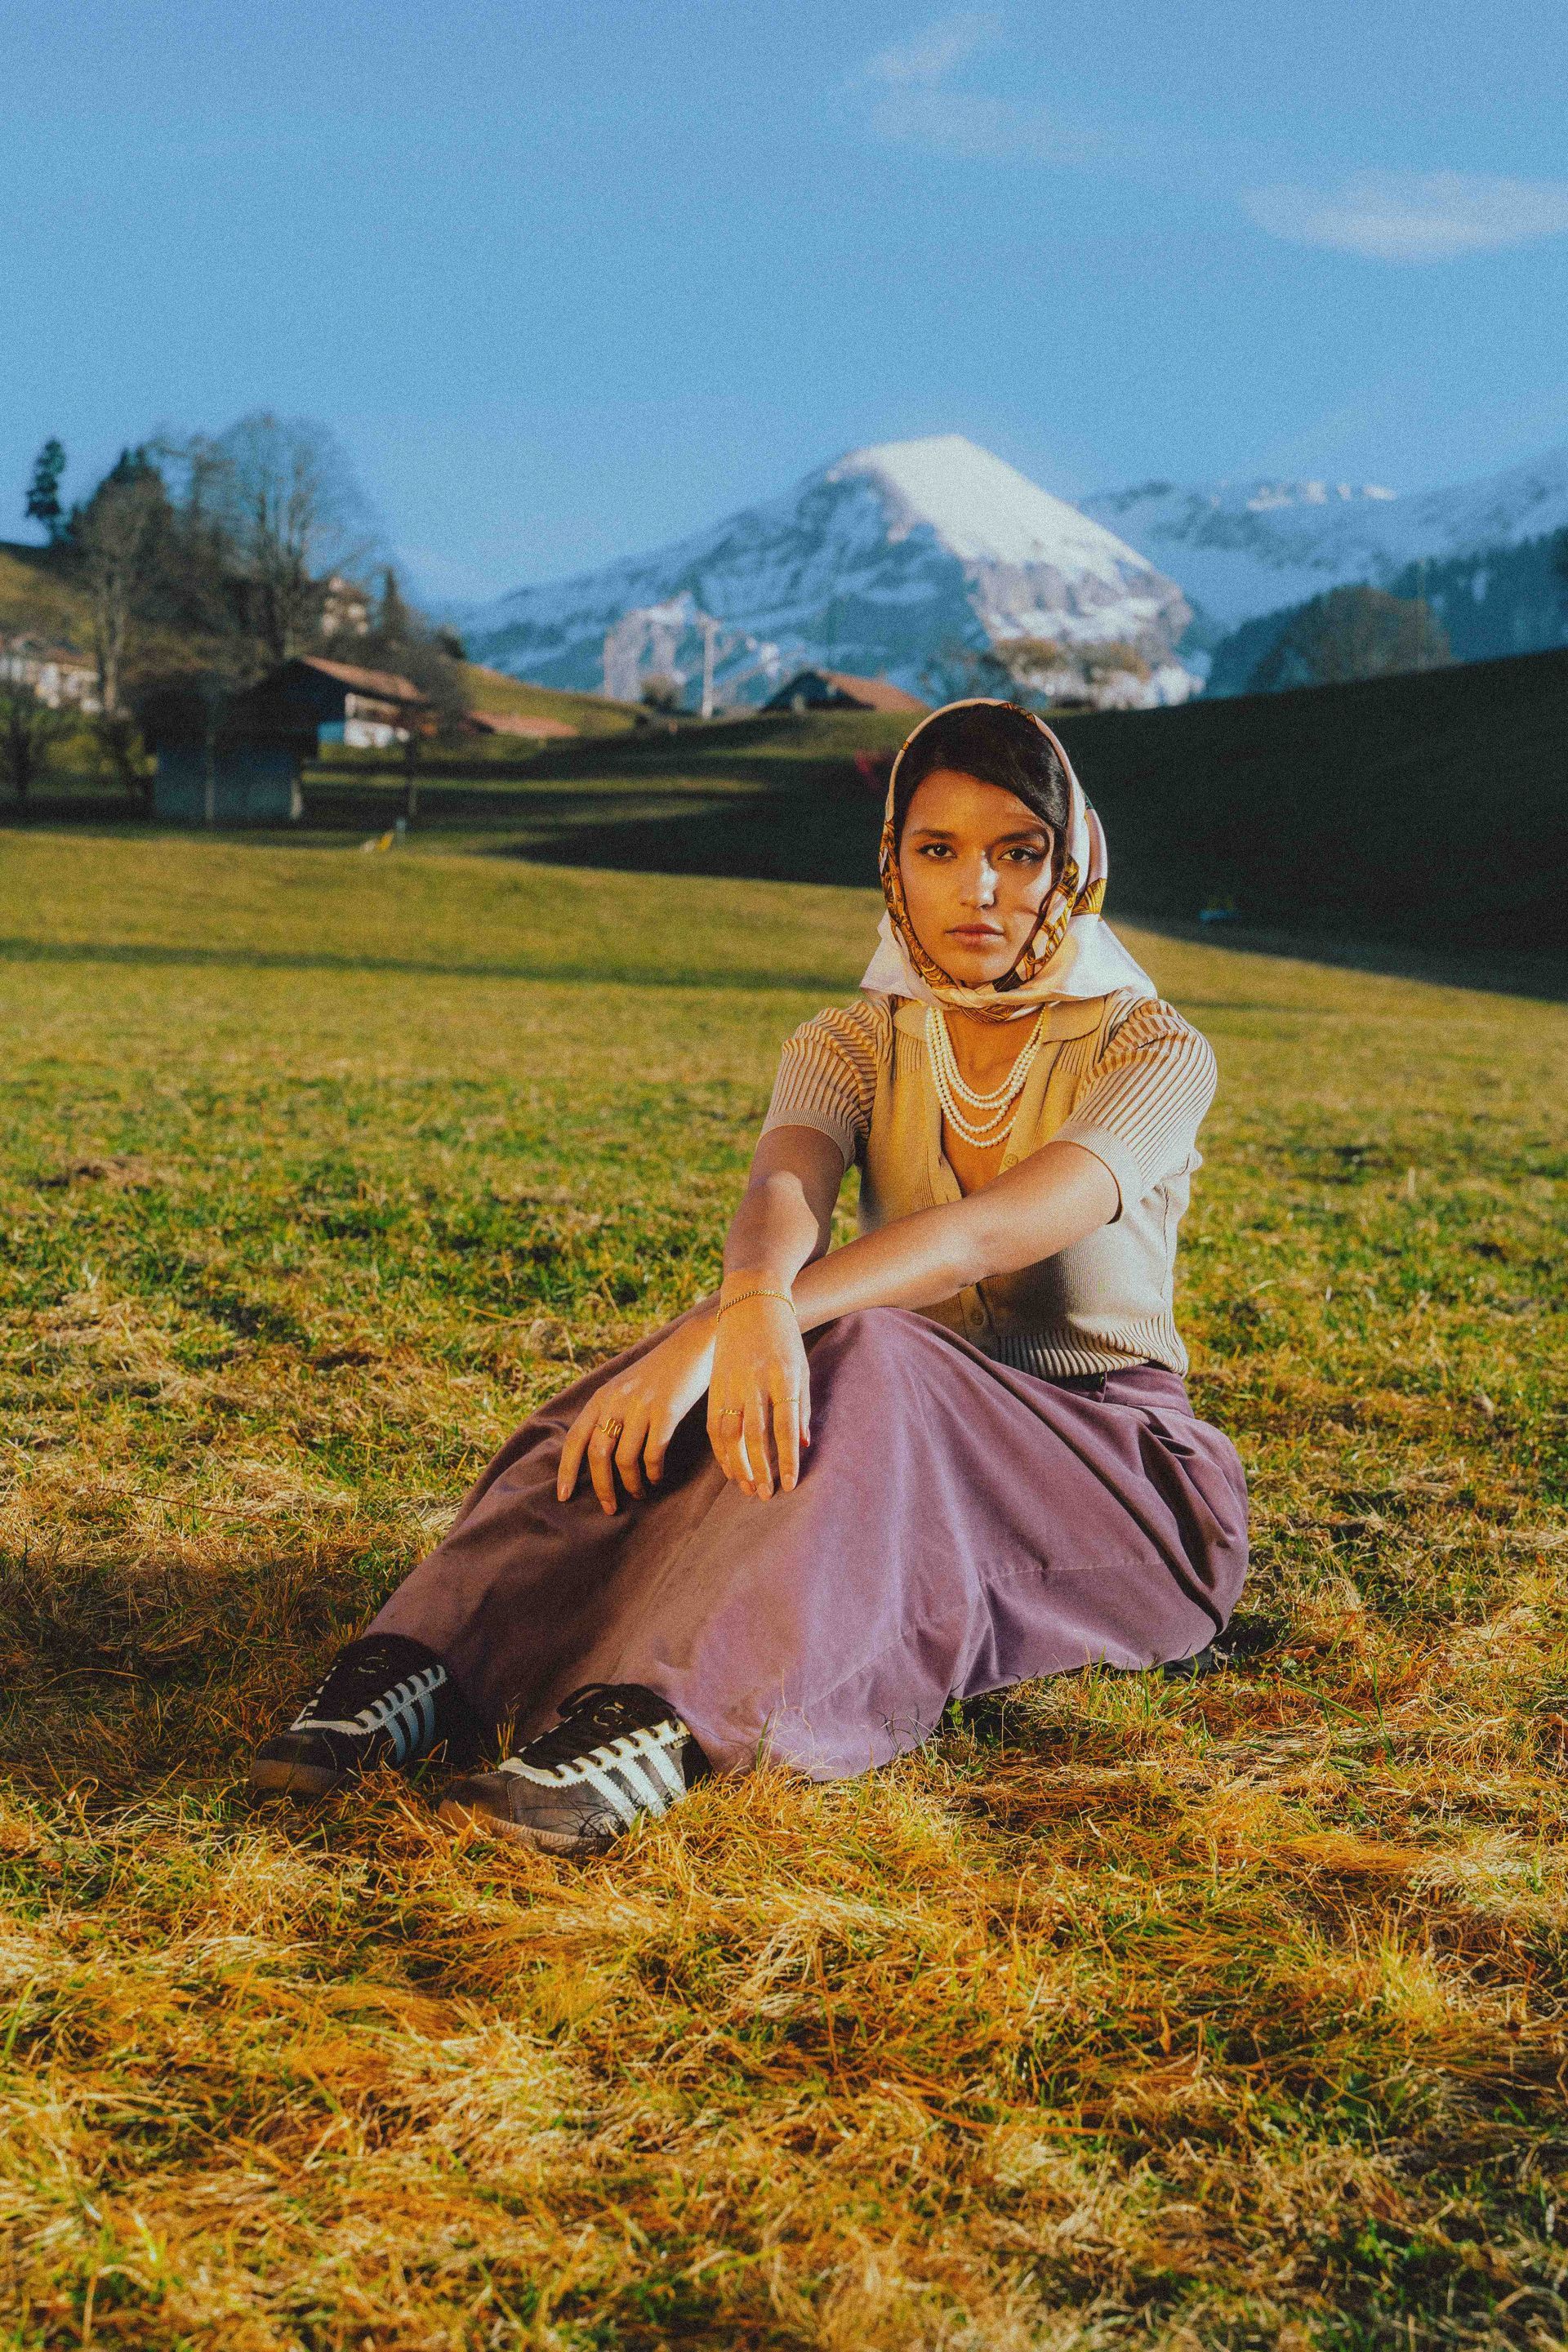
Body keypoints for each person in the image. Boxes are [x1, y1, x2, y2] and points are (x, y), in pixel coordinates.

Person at [252, 700, 1248, 1851]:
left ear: (1070, 864)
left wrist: (749, 1318)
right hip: (901, 1431)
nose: (979, 889)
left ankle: (658, 1724)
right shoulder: (851, 1038)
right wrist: (737, 1311)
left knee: (851, 1344)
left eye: (1017, 853)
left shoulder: (1154, 1048)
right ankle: (420, 1660)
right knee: (749, 1356)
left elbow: (993, 1233)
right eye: (939, 852)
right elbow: (787, 1184)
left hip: (1110, 1466)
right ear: (895, 867)